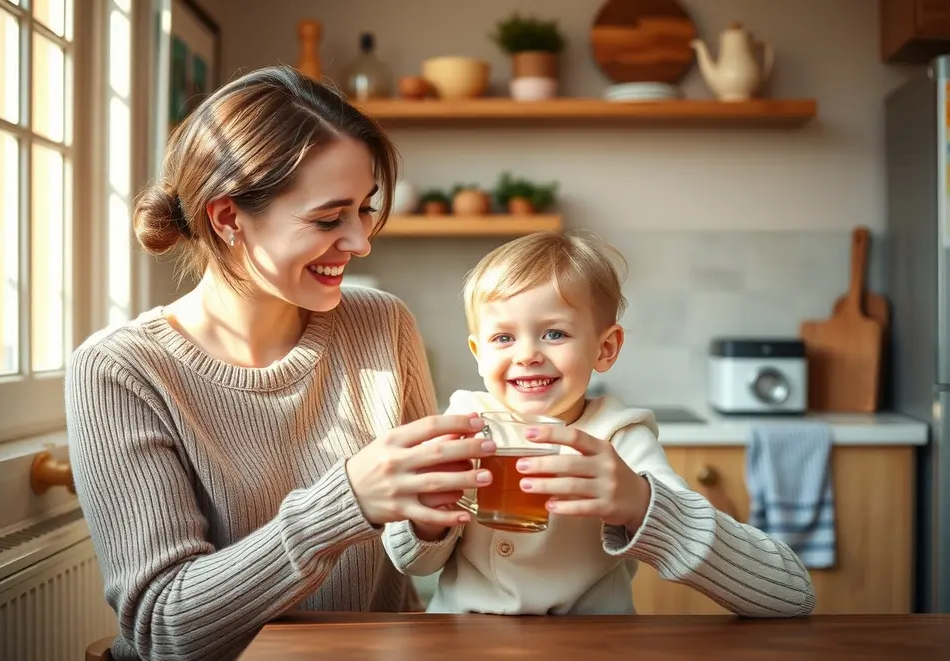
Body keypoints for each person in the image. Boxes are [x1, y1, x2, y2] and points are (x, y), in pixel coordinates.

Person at [65, 65, 493, 661]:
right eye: (328, 218)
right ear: (227, 217)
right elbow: (162, 629)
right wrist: (347, 502)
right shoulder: (122, 369)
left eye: (365, 209)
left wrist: (431, 518)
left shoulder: (383, 324)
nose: (361, 241)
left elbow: (418, 559)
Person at [383, 231, 817, 617]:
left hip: (592, 644)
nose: (527, 354)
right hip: (462, 643)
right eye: (503, 337)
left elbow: (792, 596)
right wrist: (427, 522)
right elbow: (411, 563)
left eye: (554, 333)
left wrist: (642, 503)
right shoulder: (460, 425)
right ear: (479, 354)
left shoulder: (619, 438)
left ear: (605, 348)